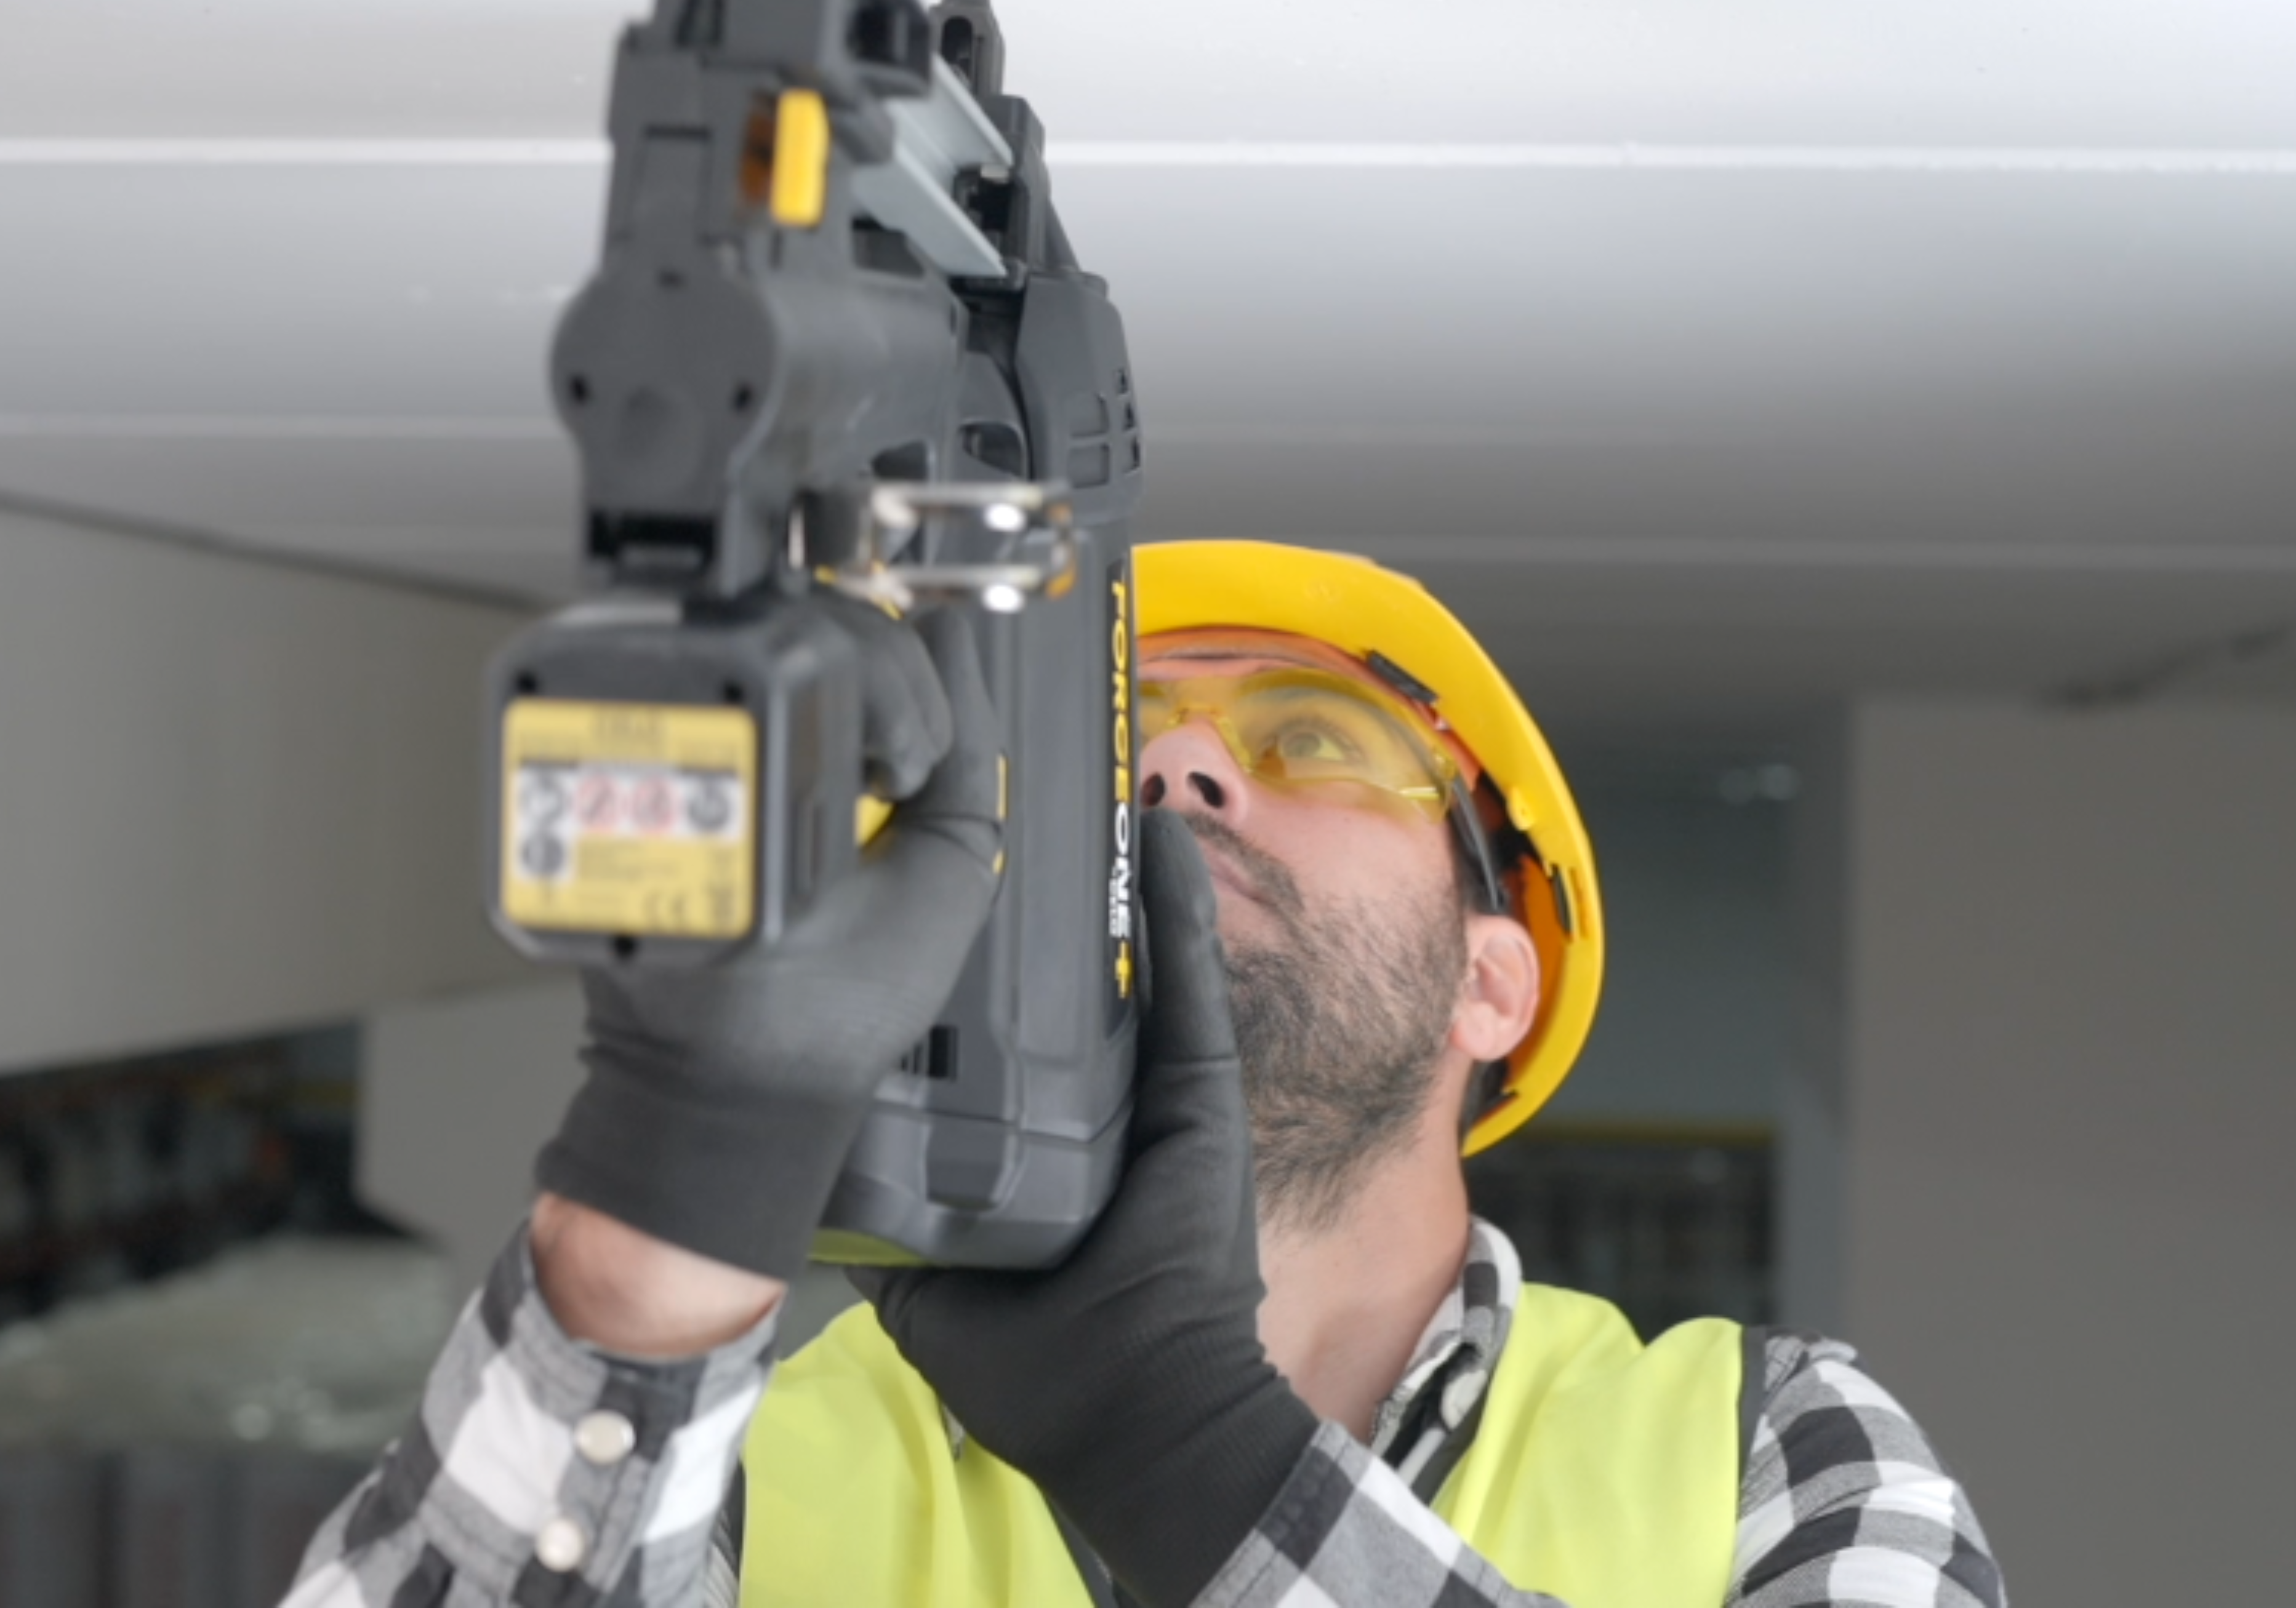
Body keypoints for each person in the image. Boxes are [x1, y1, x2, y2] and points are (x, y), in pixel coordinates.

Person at [284, 542, 2005, 1608]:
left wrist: (1184, 1443)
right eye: (1127, 745)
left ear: (1493, 982)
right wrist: (659, 1220)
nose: (1175, 767)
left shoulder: (1773, 1452)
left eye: (1313, 740)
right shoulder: (737, 1464)